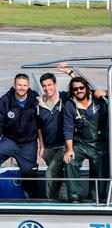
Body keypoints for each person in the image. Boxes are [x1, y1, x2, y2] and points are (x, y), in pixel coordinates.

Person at [63, 76, 109, 203]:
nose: (79, 91)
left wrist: (105, 93)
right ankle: (74, 197)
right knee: (70, 161)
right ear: (72, 91)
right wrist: (70, 149)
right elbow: (68, 128)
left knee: (101, 169)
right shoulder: (69, 105)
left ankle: (98, 198)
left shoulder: (98, 99)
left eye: (81, 88)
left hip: (101, 143)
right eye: (75, 89)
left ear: (86, 88)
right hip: (82, 143)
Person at [0, 73, 39, 197]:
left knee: (29, 175)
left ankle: (29, 200)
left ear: (28, 86)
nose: (22, 88)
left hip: (29, 144)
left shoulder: (35, 100)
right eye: (19, 85)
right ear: (14, 85)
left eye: (24, 85)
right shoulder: (5, 100)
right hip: (10, 141)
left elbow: (41, 123)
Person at [37, 70, 71, 201]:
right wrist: (41, 146)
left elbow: (83, 87)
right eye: (44, 86)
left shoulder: (65, 98)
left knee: (50, 173)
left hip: (63, 145)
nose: (47, 88)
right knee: (60, 174)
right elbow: (38, 127)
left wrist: (69, 72)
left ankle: (51, 202)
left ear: (55, 84)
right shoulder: (39, 103)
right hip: (48, 147)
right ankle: (63, 202)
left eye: (49, 85)